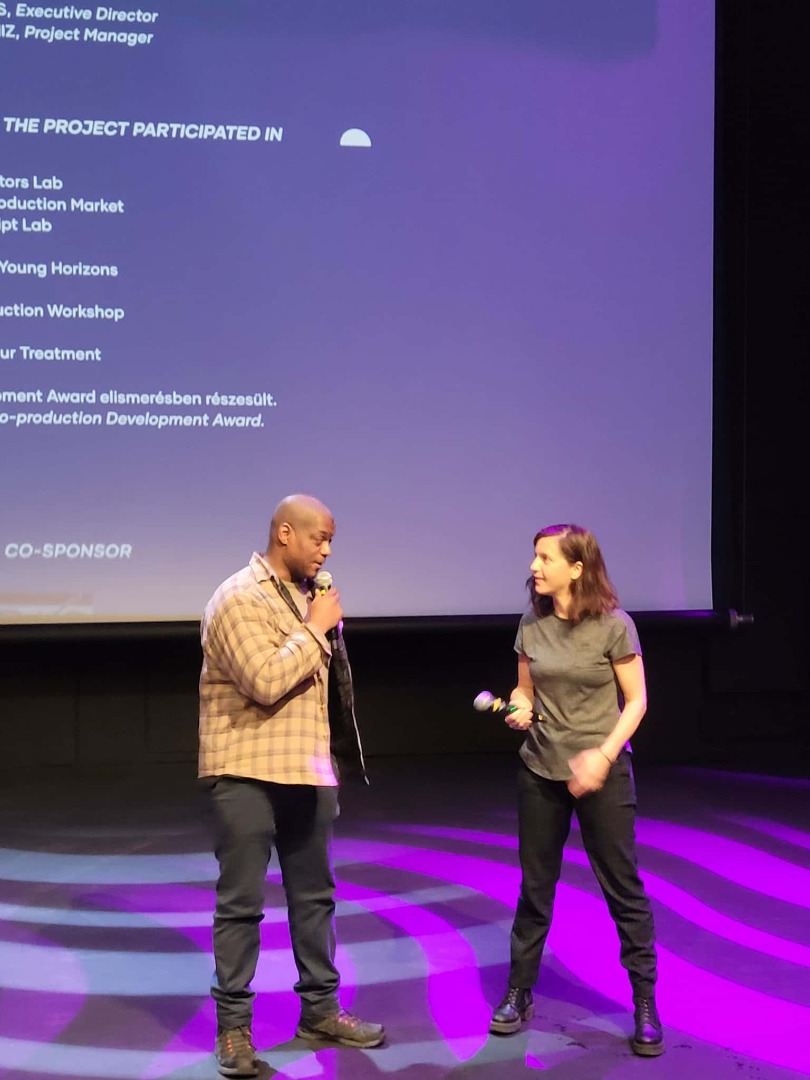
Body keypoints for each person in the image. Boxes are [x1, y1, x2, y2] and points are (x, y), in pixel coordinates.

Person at [199, 494, 384, 1078]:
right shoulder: (237, 597)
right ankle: (234, 1030)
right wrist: (315, 629)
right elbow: (264, 680)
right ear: (285, 533)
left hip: (306, 771)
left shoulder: (309, 599)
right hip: (246, 774)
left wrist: (332, 764)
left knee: (315, 899)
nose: (326, 551)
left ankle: (321, 1012)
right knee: (241, 906)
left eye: (331, 541)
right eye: (318, 539)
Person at [489, 523, 663, 1057]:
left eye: (545, 558)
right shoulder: (531, 623)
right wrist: (519, 710)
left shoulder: (614, 625)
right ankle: (519, 991)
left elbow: (636, 702)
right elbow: (524, 691)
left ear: (577, 568)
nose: (534, 566)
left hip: (602, 772)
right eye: (535, 557)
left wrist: (602, 756)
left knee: (623, 888)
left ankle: (645, 1002)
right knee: (535, 887)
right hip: (540, 769)